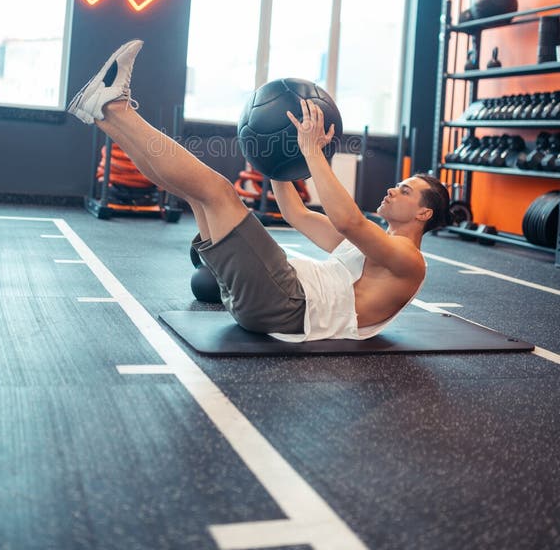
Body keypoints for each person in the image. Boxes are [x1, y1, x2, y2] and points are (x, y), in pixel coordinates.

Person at [68, 40, 451, 342]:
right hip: (280, 296)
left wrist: (311, 151)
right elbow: (296, 214)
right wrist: (276, 162)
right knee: (198, 194)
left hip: (288, 304)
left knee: (218, 191)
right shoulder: (372, 248)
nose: (392, 190)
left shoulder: (408, 260)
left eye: (405, 190)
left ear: (424, 213)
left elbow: (349, 220)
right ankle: (105, 116)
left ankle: (115, 107)